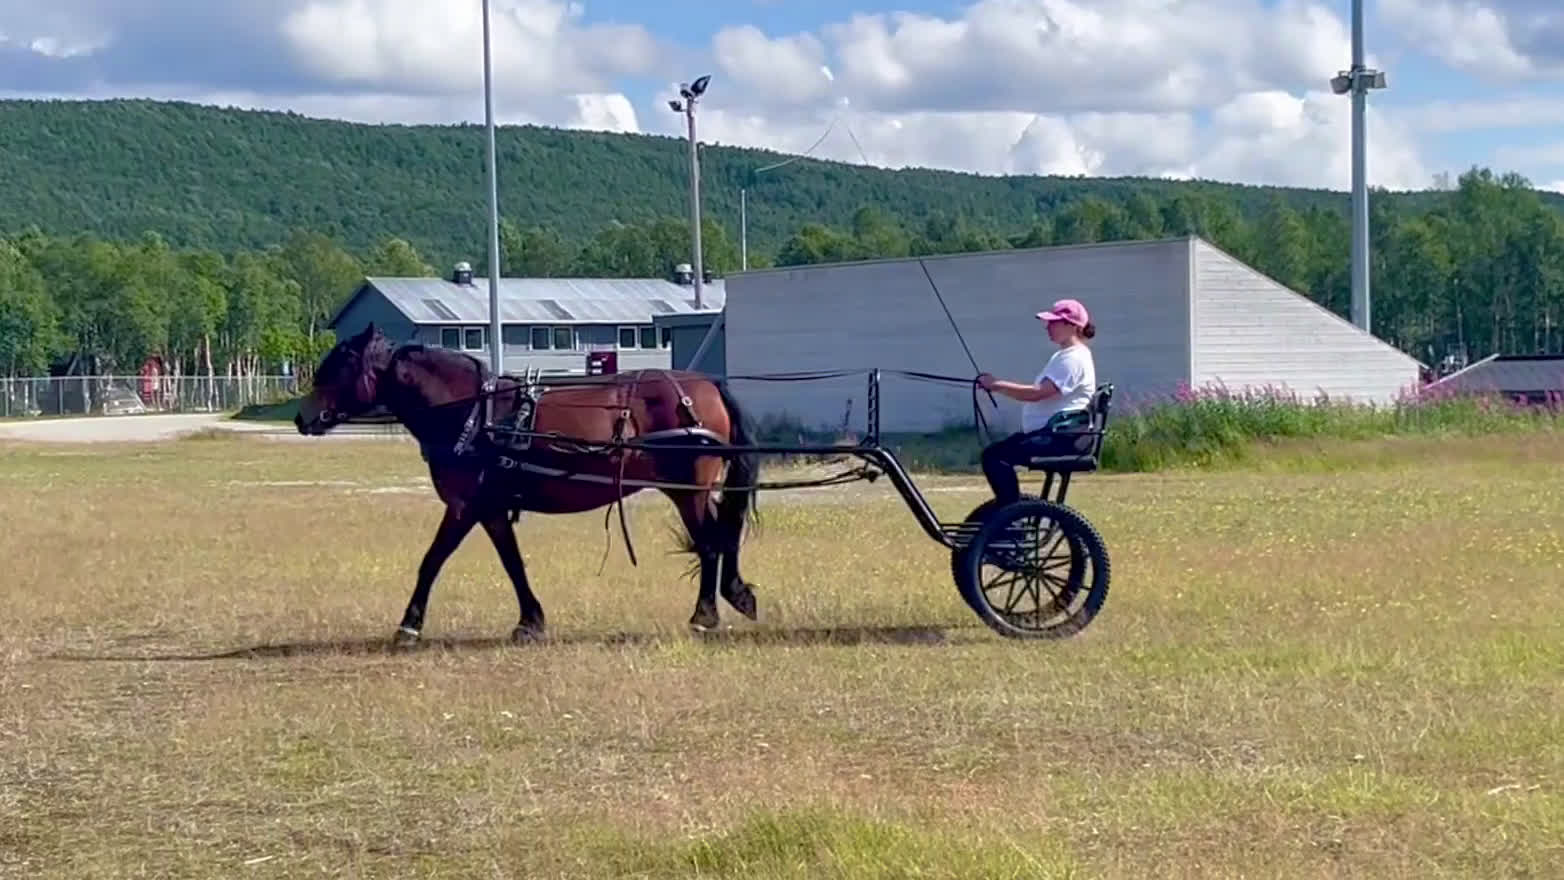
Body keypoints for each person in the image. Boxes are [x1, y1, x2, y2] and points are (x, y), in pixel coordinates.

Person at [975, 298, 1098, 504]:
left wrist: (997, 385)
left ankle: (1011, 516)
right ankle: (1010, 514)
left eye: (1053, 322)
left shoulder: (1072, 359)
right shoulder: (1066, 356)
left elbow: (1037, 393)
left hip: (1058, 439)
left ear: (1072, 325)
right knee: (995, 455)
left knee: (995, 457)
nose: (1047, 327)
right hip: (1052, 436)